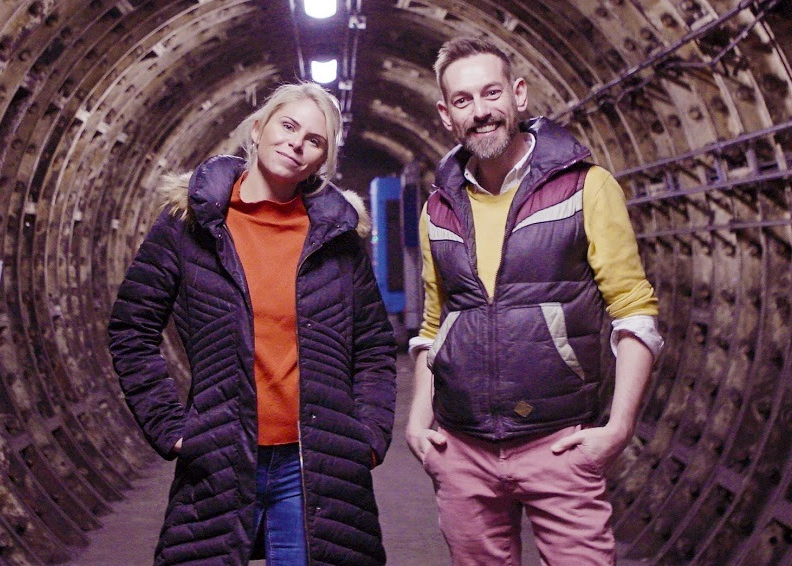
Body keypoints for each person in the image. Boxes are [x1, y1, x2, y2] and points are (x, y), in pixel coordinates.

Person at [108, 82, 397, 566]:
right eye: (287, 126)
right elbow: (131, 330)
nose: (296, 143)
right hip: (219, 456)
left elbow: (372, 347)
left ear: (321, 161)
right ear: (259, 128)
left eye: (314, 140)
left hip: (314, 464)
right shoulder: (190, 225)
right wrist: (170, 427)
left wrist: (366, 436)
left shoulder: (338, 237)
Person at [405, 37, 663, 565]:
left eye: (491, 93)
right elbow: (436, 324)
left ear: (519, 95)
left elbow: (634, 310)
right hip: (463, 448)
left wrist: (617, 429)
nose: (480, 112)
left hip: (558, 445)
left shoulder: (586, 187)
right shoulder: (438, 209)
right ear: (446, 115)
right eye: (462, 100)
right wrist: (417, 420)